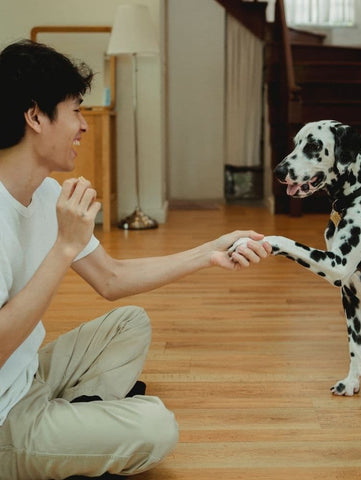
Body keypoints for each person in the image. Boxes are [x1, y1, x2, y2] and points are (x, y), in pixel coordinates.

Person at [0, 39, 271, 480]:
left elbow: (111, 278)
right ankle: (66, 433)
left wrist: (210, 251)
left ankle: (73, 427)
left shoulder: (47, 194)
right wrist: (64, 248)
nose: (83, 126)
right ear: (35, 116)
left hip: (27, 377)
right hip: (4, 420)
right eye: (75, 111)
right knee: (156, 427)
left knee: (131, 323)